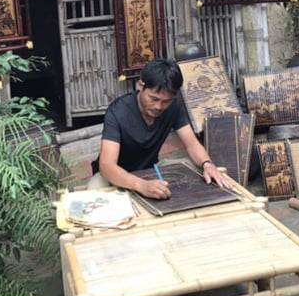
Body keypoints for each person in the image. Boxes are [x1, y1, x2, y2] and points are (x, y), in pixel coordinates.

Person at [88, 58, 234, 199]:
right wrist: (140, 185)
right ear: (140, 86)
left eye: (166, 101)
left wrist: (207, 164)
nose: (159, 106)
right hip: (114, 176)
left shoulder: (173, 107)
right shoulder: (118, 112)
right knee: (94, 190)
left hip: (150, 170)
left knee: (193, 169)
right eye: (154, 99)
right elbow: (106, 165)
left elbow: (192, 144)